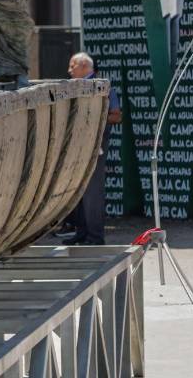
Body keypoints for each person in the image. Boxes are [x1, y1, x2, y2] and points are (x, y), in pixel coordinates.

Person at [62, 53, 121, 246]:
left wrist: (91, 120)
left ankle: (95, 237)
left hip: (95, 146)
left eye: (73, 66)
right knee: (77, 190)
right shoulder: (73, 87)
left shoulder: (102, 87)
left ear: (85, 66)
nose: (69, 71)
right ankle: (82, 232)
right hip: (77, 146)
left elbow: (115, 116)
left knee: (92, 192)